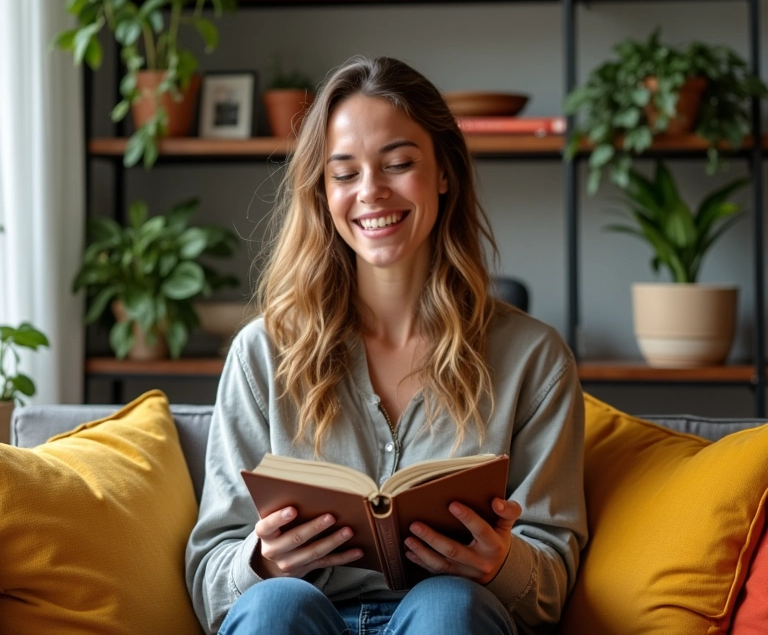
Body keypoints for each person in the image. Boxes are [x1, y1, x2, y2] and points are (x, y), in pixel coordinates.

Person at [185, 56, 588, 635]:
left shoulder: (533, 359)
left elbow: (552, 579)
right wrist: (262, 562)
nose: (371, 192)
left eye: (398, 164)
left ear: (444, 172)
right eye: (344, 173)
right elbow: (211, 574)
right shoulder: (262, 353)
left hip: (453, 623)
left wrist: (503, 565)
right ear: (322, 192)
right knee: (277, 606)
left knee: (450, 606)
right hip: (299, 621)